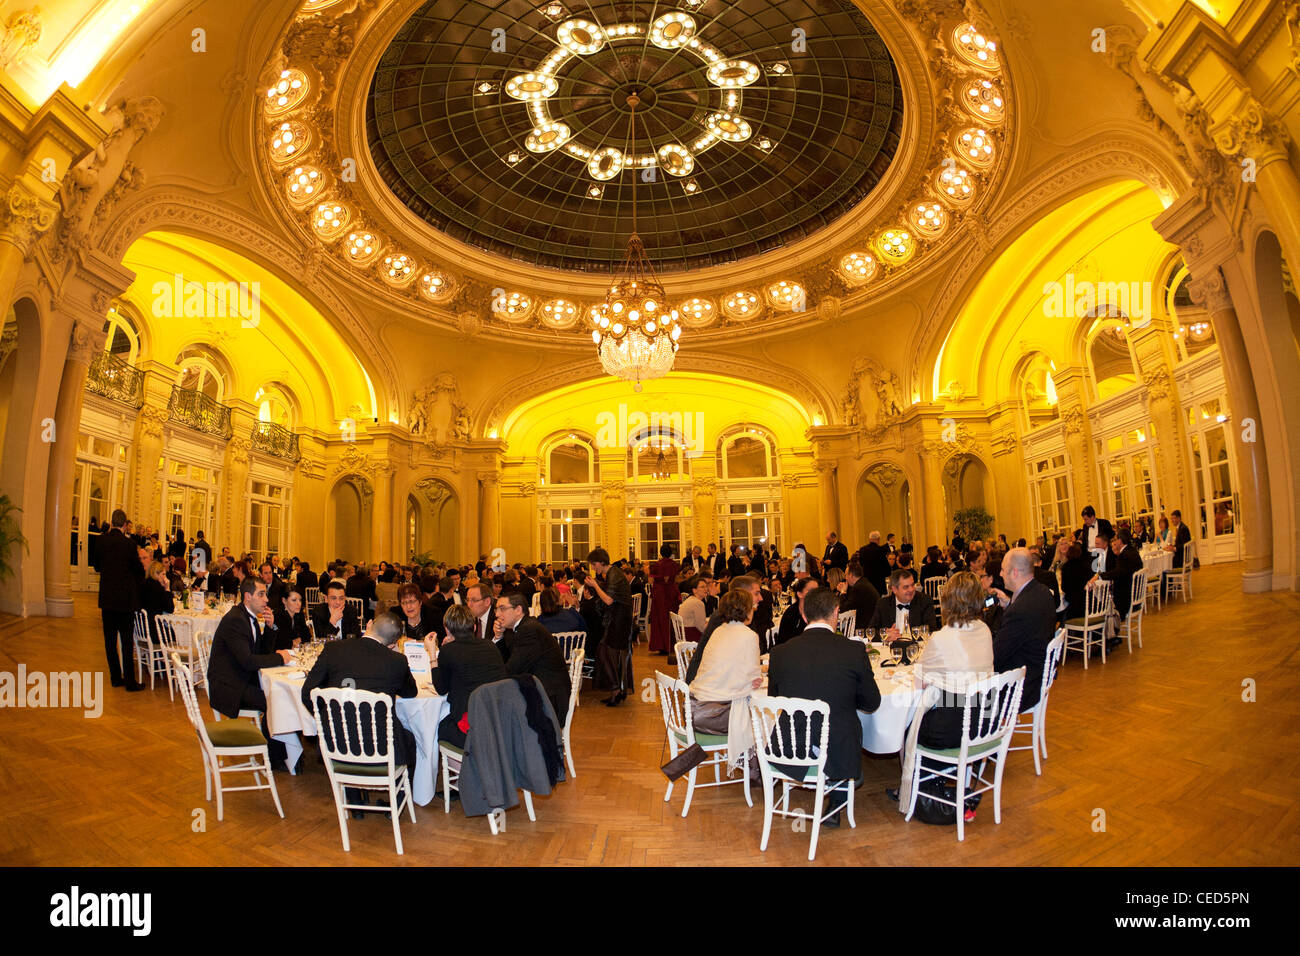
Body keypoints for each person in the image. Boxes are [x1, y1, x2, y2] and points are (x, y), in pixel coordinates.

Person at [767, 588, 881, 827]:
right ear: (836, 613)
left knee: (829, 723)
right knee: (845, 723)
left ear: (805, 615)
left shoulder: (779, 653)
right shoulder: (852, 650)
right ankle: (838, 796)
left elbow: (775, 698)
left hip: (791, 747)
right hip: (837, 748)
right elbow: (872, 703)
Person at [301, 612, 418, 781]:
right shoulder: (397, 661)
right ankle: (399, 799)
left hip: (337, 740)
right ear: (393, 644)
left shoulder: (334, 649)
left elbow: (307, 693)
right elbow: (410, 692)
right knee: (410, 740)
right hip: (381, 745)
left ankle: (352, 796)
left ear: (369, 624)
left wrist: (327, 719)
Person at [685, 587, 763, 780]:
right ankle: (758, 770)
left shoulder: (719, 630)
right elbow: (753, 679)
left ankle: (754, 769)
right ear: (745, 609)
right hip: (712, 715)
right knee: (760, 718)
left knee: (749, 711)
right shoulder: (748, 635)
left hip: (692, 708)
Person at [911, 571, 994, 749]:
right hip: (985, 720)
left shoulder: (942, 637)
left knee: (909, 724)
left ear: (948, 600)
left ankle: (932, 771)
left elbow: (919, 683)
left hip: (954, 728)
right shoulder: (984, 629)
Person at [206, 577, 294, 739]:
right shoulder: (236, 620)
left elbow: (260, 654)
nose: (266, 599)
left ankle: (281, 752)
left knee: (280, 696)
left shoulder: (248, 617)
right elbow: (248, 661)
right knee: (276, 701)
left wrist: (270, 627)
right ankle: (276, 756)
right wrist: (279, 658)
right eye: (261, 595)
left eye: (265, 594)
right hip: (230, 686)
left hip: (242, 678)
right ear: (247, 597)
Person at [426, 604, 508, 750]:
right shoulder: (491, 646)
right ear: (474, 627)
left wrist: (433, 654)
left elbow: (440, 688)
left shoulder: (448, 651)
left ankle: (464, 768)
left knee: (434, 728)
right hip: (499, 722)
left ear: (447, 629)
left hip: (471, 729)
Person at [991, 548, 1057, 713]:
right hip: (1038, 676)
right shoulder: (1043, 592)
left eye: (1003, 570)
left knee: (955, 696)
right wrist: (1009, 604)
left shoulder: (1019, 610)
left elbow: (995, 658)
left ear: (1014, 572)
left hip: (1020, 687)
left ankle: (980, 733)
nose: (1000, 574)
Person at [494, 590, 570, 723]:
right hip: (542, 690)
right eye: (496, 609)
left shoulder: (529, 630)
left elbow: (511, 669)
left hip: (550, 700)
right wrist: (498, 636)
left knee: (498, 711)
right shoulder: (523, 627)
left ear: (518, 610)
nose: (497, 614)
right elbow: (508, 660)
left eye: (502, 609)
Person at [98, 509, 145, 691]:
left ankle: (116, 678)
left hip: (107, 599)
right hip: (125, 600)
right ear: (125, 525)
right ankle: (130, 682)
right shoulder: (129, 545)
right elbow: (139, 571)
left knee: (109, 641)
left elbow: (96, 565)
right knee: (126, 641)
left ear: (111, 523)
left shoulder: (101, 541)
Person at [586, 548, 634, 705]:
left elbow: (608, 600)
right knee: (607, 653)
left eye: (594, 564)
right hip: (618, 619)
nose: (593, 568)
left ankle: (616, 690)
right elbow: (611, 592)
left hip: (619, 621)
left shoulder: (614, 574)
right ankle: (617, 690)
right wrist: (596, 584)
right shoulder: (614, 573)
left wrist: (595, 585)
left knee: (606, 652)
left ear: (601, 562)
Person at [868, 568, 937, 639]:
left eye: (912, 585)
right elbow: (871, 631)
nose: (911, 589)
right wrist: (885, 635)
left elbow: (931, 631)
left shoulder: (924, 601)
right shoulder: (883, 604)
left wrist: (904, 638)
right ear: (894, 589)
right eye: (906, 587)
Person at [648, 543, 681, 657]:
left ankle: (661, 646)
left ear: (661, 553)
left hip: (659, 594)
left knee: (659, 619)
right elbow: (675, 578)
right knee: (671, 618)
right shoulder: (674, 565)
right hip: (671, 593)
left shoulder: (656, 565)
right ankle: (671, 644)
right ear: (670, 553)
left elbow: (651, 580)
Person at [775, 577, 820, 645]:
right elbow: (784, 641)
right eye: (811, 590)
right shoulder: (791, 613)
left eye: (817, 591)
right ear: (799, 594)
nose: (815, 594)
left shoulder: (820, 612)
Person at [1162, 509, 1194, 599]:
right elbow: (1181, 543)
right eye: (1171, 519)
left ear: (1179, 518)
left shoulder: (1183, 529)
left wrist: (1174, 548)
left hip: (1182, 559)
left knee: (1164, 566)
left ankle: (1165, 592)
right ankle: (1169, 589)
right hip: (1181, 557)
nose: (1172, 521)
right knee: (1166, 563)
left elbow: (1184, 545)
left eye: (1174, 519)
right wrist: (1172, 547)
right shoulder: (1180, 527)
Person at [141, 559, 175, 642]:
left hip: (142, 629)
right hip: (154, 632)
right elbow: (170, 609)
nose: (165, 577)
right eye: (163, 574)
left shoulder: (143, 584)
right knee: (174, 633)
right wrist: (167, 589)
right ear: (156, 573)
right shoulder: (157, 588)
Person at [839, 560, 881, 628]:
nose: (845, 578)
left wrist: (843, 592)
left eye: (846, 575)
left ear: (851, 575)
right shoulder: (863, 582)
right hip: (870, 621)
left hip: (866, 626)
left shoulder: (859, 588)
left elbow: (843, 608)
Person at [1058, 542, 1092, 623]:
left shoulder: (1066, 567)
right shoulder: (1086, 565)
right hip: (1087, 602)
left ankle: (1064, 629)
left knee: (1063, 610)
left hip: (1073, 604)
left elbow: (1064, 588)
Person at [854, 531, 892, 595]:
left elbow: (861, 564)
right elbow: (886, 568)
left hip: (866, 582)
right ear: (878, 539)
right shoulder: (881, 550)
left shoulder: (862, 550)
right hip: (879, 583)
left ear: (869, 539)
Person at [678, 575, 710, 642]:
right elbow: (702, 628)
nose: (706, 589)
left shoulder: (690, 599)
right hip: (691, 635)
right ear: (694, 590)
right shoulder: (698, 603)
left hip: (684, 633)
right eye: (702, 587)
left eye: (706, 586)